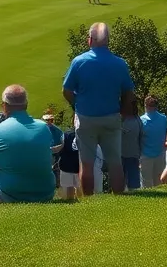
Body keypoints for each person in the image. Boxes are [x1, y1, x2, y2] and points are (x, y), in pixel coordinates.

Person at [62, 22, 136, 195]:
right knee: (115, 162)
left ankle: (88, 200)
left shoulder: (79, 61)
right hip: (111, 116)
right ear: (108, 41)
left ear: (90, 40)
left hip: (86, 117)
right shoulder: (120, 63)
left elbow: (66, 90)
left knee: (86, 163)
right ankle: (118, 197)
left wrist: (76, 105)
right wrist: (123, 112)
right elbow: (129, 93)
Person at [0, 85, 56, 204]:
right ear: (26, 104)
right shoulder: (44, 128)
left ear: (5, 106)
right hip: (46, 193)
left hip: (12, 195)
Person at [139, 95, 167, 190]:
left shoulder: (141, 120)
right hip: (160, 153)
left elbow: (138, 138)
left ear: (145, 106)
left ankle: (149, 202)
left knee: (146, 182)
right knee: (158, 181)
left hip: (145, 154)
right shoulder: (164, 118)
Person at [120, 98, 144, 189]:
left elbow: (141, 137)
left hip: (133, 155)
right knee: (120, 182)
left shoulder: (137, 120)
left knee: (133, 184)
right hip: (120, 155)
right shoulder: (120, 119)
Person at [58, 121, 81, 199]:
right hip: (80, 166)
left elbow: (61, 148)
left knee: (68, 188)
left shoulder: (66, 134)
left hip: (66, 165)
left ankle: (70, 201)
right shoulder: (88, 135)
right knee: (80, 188)